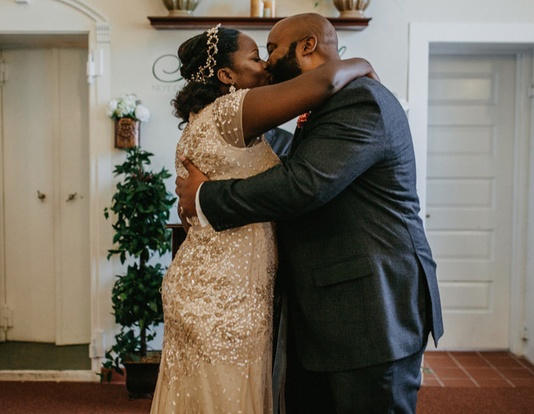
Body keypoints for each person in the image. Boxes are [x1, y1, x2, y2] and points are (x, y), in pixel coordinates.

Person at [175, 13, 444, 414]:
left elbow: (303, 185)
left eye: (272, 50)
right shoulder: (322, 105)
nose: (267, 62)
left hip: (371, 309)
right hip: (327, 311)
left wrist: (206, 196)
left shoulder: (359, 99)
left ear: (306, 46)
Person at [150, 23, 378, 414]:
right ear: (227, 76)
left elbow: (193, 215)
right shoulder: (229, 111)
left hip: (215, 284)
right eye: (255, 58)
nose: (266, 65)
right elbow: (324, 83)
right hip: (223, 296)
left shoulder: (208, 119)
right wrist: (361, 62)